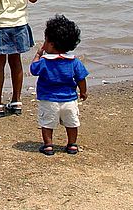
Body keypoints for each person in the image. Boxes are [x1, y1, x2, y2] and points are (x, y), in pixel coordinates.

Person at [29, 14, 88, 156]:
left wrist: (37, 54)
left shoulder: (44, 61)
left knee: (47, 123)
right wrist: (83, 92)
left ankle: (48, 145)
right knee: (72, 123)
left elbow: (33, 69)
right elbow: (81, 78)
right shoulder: (74, 61)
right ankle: (72, 144)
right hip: (69, 100)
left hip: (49, 99)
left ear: (51, 44)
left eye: (45, 40)